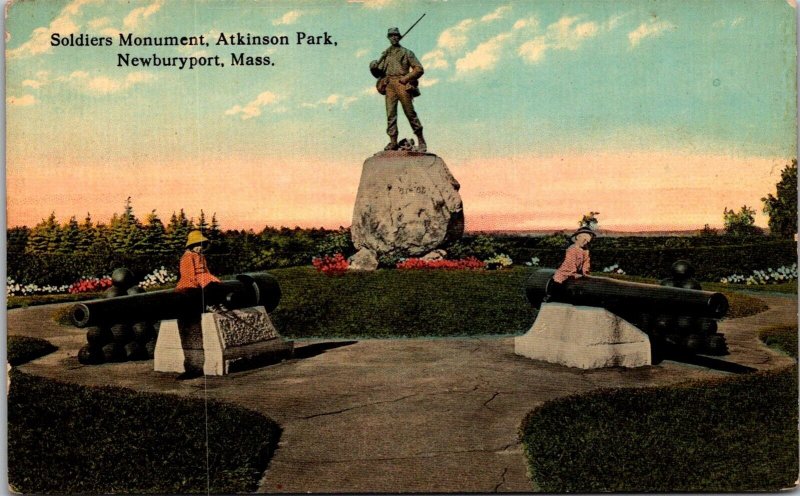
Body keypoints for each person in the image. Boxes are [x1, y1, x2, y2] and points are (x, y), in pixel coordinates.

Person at [174, 230, 224, 380]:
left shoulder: (200, 257)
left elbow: (206, 274)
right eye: (198, 245)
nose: (200, 248)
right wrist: (204, 283)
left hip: (198, 291)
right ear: (192, 245)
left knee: (195, 331)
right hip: (187, 292)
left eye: (202, 245)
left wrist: (211, 282)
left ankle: (195, 367)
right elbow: (190, 277)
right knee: (189, 331)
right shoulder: (187, 258)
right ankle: (192, 367)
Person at [370, 27, 427, 152]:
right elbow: (379, 73)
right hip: (389, 84)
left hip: (402, 83)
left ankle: (421, 140)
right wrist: (373, 67)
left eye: (396, 35)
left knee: (410, 113)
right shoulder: (386, 54)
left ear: (399, 37)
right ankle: (393, 141)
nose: (394, 37)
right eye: (391, 36)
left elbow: (419, 69)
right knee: (391, 115)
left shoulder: (407, 52)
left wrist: (406, 79)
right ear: (388, 38)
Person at [547, 226, 596, 302]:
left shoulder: (585, 252)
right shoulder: (572, 249)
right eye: (584, 240)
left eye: (587, 241)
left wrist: (585, 272)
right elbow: (570, 263)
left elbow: (586, 263)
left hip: (576, 274)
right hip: (565, 274)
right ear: (578, 237)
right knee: (558, 289)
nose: (585, 242)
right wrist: (574, 273)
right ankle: (552, 297)